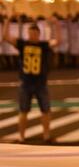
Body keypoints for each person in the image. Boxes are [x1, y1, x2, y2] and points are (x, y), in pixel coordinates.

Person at [2, 15, 60, 143]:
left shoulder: (43, 45)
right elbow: (6, 38)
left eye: (34, 33)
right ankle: (21, 136)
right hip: (25, 83)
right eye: (30, 33)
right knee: (23, 111)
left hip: (40, 83)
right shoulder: (23, 44)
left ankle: (46, 136)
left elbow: (57, 41)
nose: (32, 36)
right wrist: (6, 22)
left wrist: (57, 25)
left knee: (45, 110)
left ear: (38, 34)